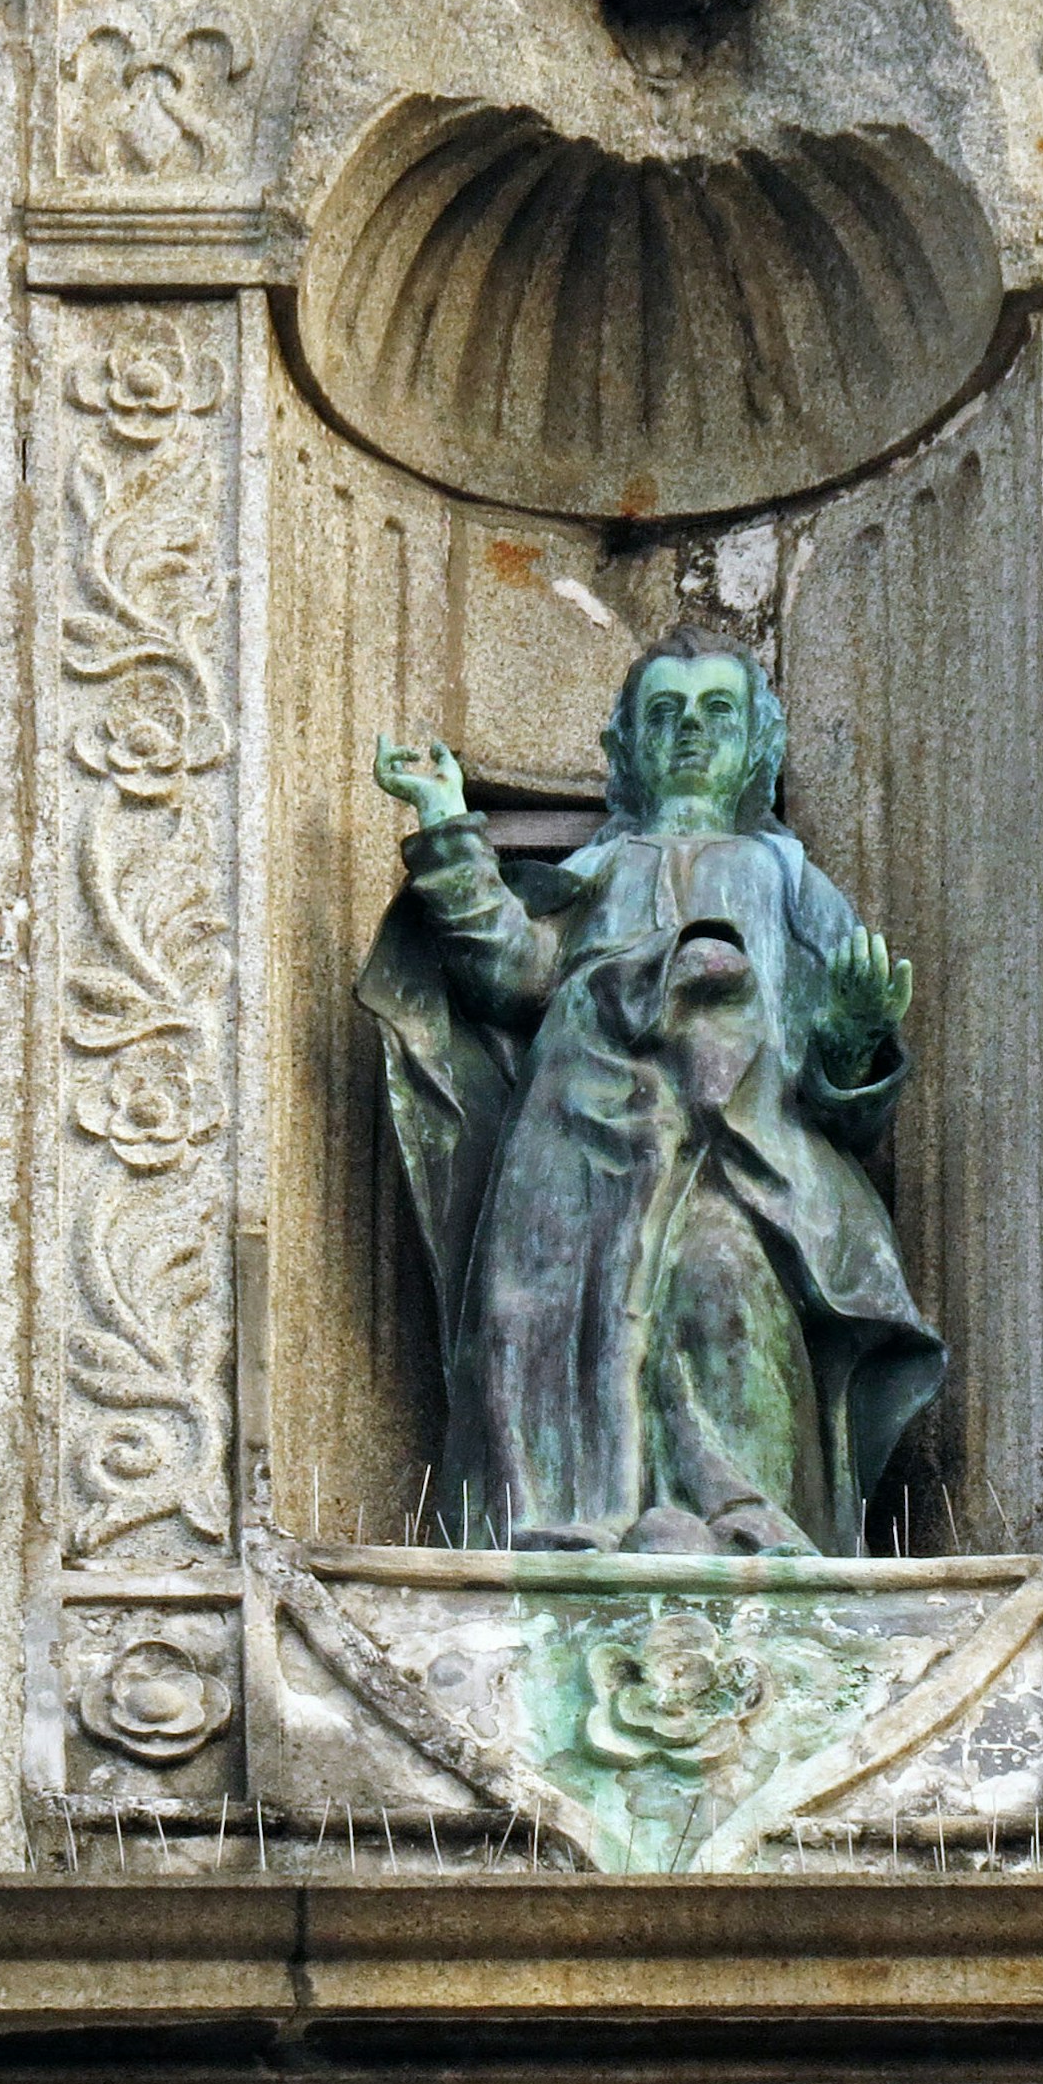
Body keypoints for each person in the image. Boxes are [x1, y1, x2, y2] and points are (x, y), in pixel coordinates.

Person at [359, 639, 944, 1557]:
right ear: (626, 742)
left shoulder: (790, 883)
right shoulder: (601, 869)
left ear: (760, 743)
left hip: (740, 1154)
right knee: (552, 1320)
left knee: (721, 1288)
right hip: (584, 1139)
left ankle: (743, 1516)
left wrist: (855, 1033)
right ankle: (583, 1512)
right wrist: (445, 823)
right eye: (665, 713)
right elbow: (511, 969)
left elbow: (846, 1103)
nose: (691, 733)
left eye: (718, 712)